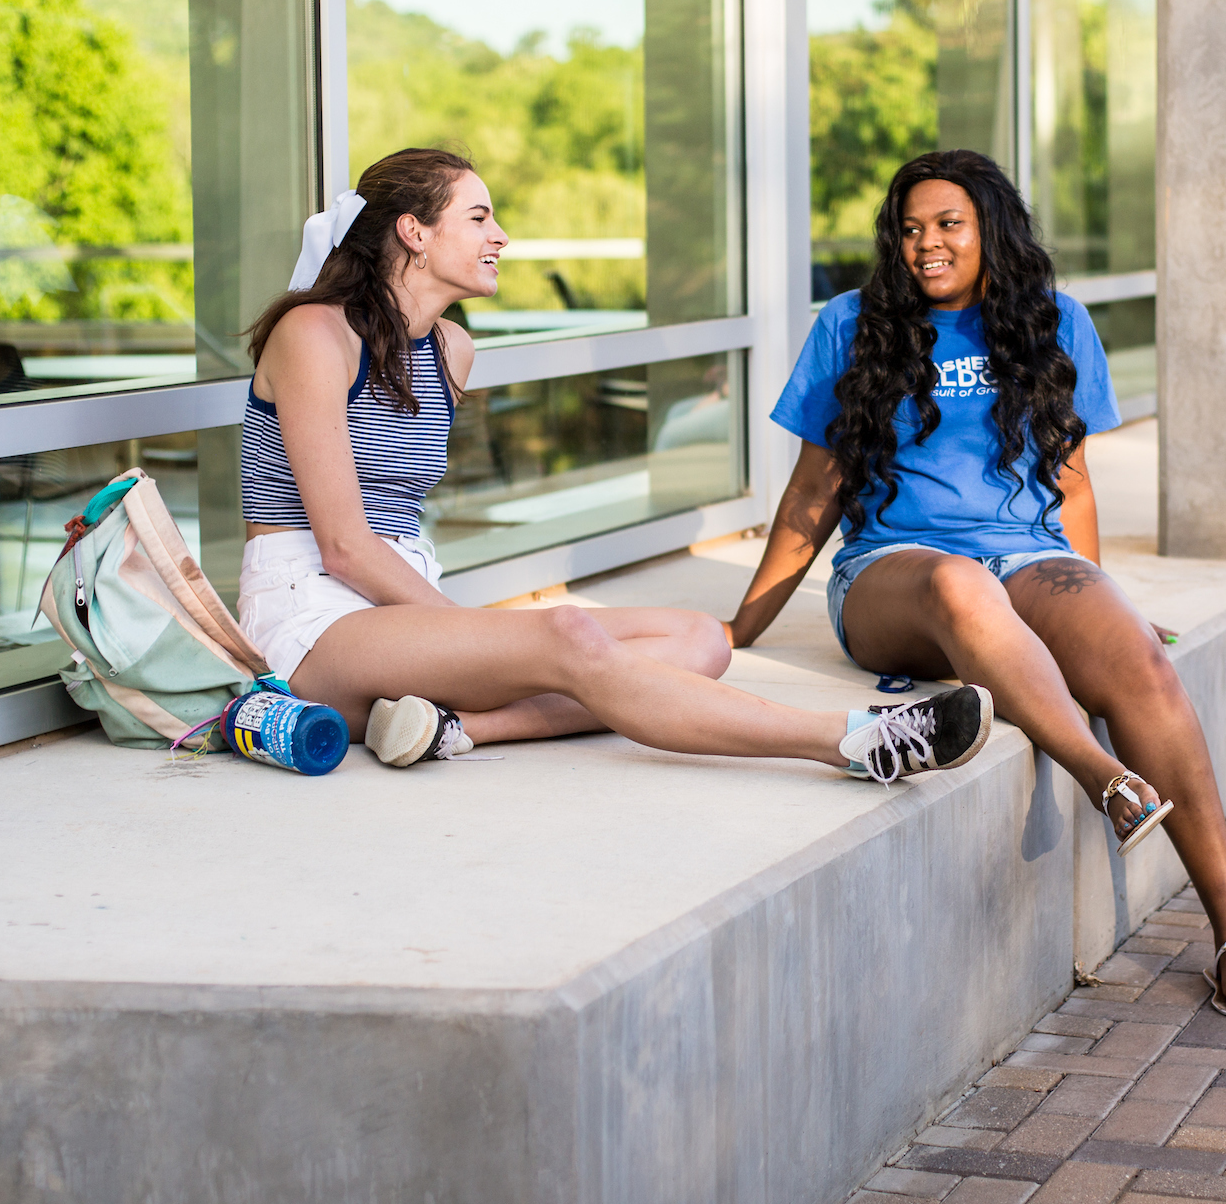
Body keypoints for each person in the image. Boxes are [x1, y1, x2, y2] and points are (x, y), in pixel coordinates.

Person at [723, 150, 1226, 1019]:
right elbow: (814, 489)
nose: (925, 246)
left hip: (1026, 554)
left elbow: (1074, 485)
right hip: (892, 576)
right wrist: (743, 625)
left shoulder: (1055, 323)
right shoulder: (851, 322)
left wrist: (1114, 604)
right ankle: (1105, 777)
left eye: (948, 225)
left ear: (992, 230)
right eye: (909, 230)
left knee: (1140, 663)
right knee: (957, 584)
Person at [237, 146, 993, 783]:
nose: (501, 236)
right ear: (414, 232)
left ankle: (456, 728)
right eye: (479, 217)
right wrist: (472, 635)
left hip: (402, 602)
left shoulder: (450, 351)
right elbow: (342, 544)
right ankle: (846, 740)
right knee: (567, 636)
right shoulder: (314, 335)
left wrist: (473, 645)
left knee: (702, 639)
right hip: (314, 616)